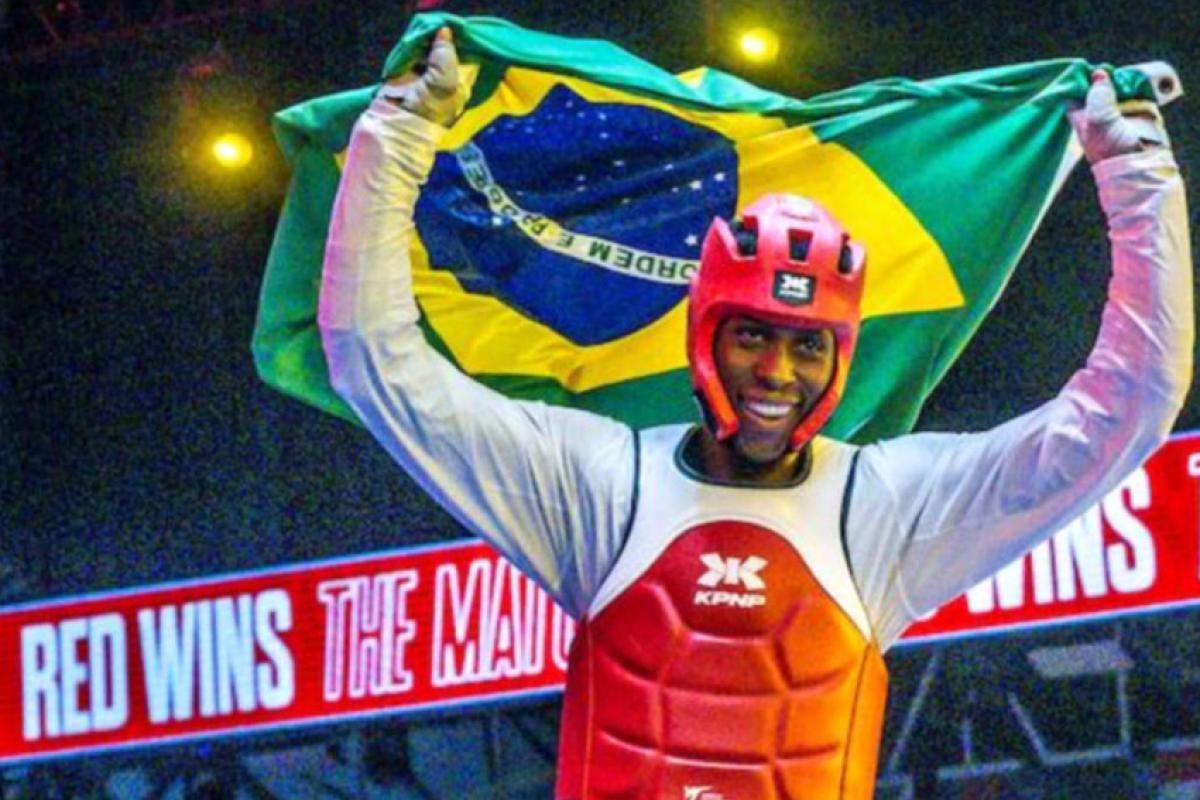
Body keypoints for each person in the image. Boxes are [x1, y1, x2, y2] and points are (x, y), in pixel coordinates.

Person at [317, 28, 1193, 800]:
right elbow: (375, 363)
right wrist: (398, 133)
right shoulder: (597, 484)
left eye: (808, 345)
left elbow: (1130, 406)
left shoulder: (884, 509)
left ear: (840, 360)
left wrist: (1133, 167)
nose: (776, 372)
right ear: (705, 334)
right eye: (753, 337)